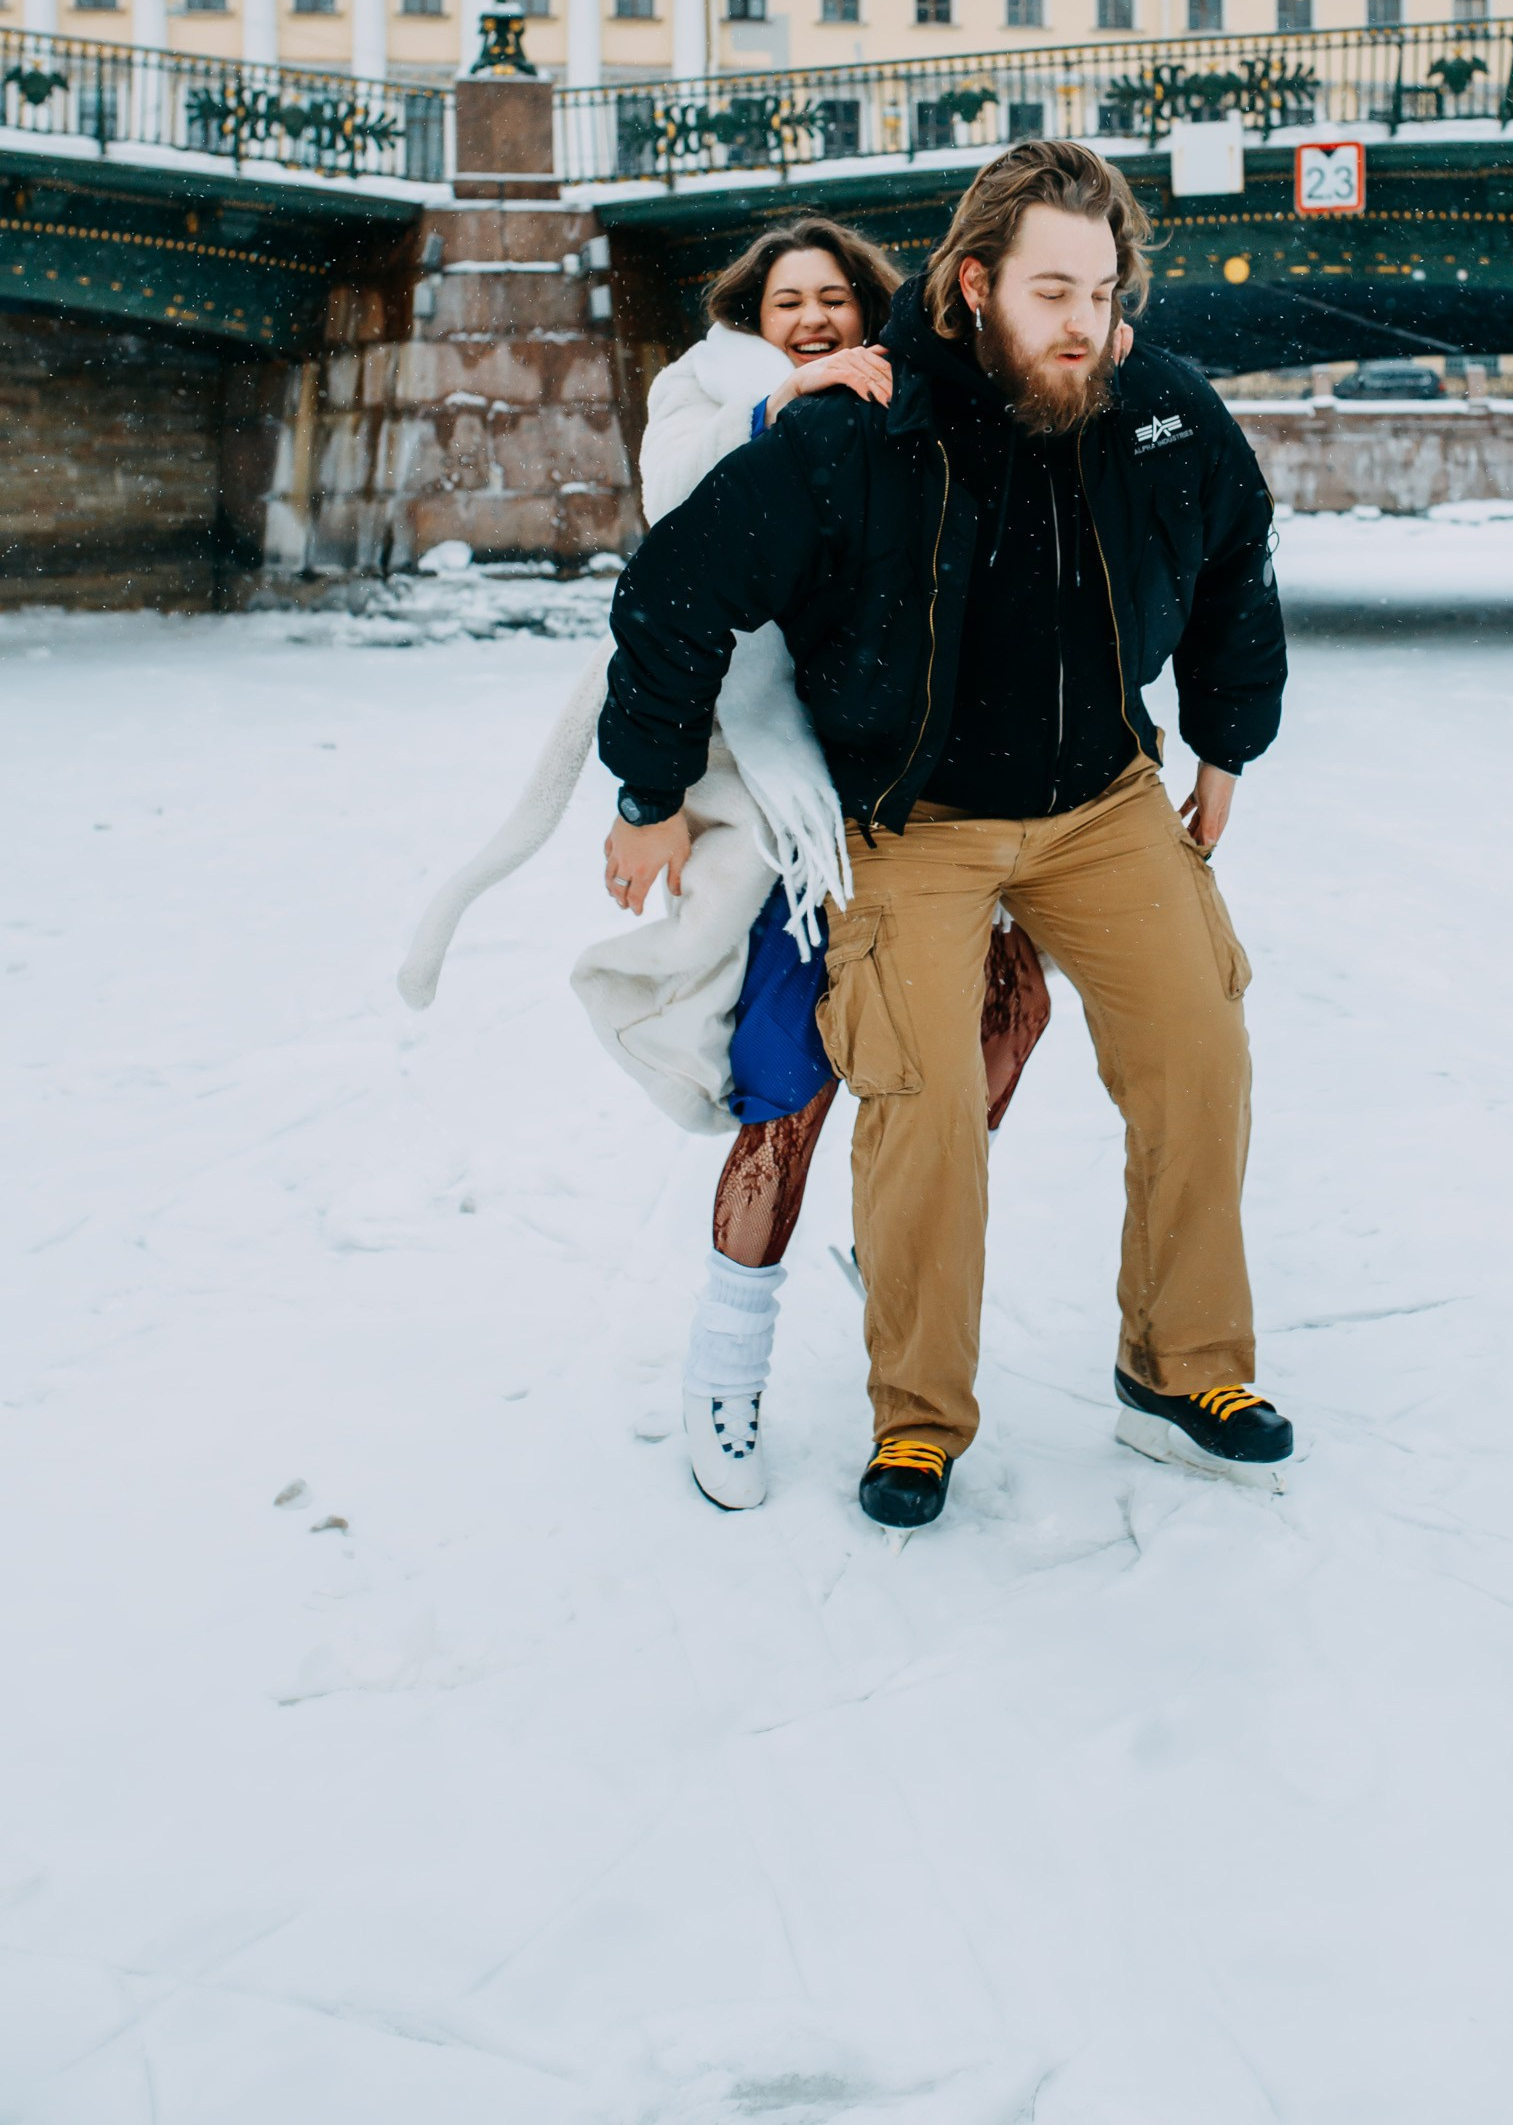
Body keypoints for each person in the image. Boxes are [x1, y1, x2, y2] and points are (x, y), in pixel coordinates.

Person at [600, 141, 1293, 1530]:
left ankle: (1180, 1372)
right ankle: (918, 1418)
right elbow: (676, 590)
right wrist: (650, 789)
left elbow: (1235, 553)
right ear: (974, 284)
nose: (1083, 324)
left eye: (1100, 292)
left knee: (1198, 1053)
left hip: (1101, 804)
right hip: (916, 821)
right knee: (918, 1107)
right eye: (1052, 292)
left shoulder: (1152, 406)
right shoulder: (862, 423)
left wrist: (1226, 738)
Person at [398, 213, 1049, 1518]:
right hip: (768, 796)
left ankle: (888, 1225)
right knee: (789, 1085)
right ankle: (726, 1367)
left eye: (833, 302)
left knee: (1007, 1010)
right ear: (752, 317)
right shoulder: (708, 399)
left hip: (906, 796)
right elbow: (684, 547)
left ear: (872, 316)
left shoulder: (909, 419)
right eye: (785, 301)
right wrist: (650, 800)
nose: (810, 318)